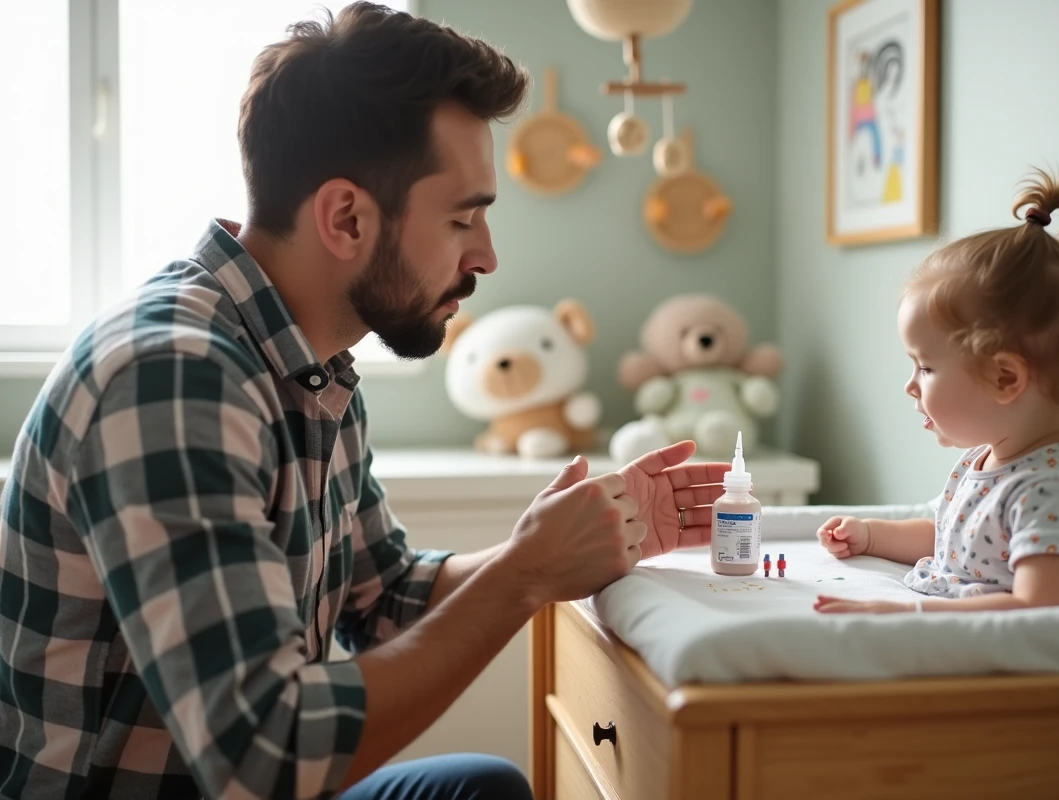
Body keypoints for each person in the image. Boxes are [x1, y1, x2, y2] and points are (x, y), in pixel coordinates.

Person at [0, 4, 727, 798]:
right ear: (347, 216)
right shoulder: (171, 379)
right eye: (463, 218)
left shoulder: (312, 367)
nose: (486, 255)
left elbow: (386, 597)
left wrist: (545, 547)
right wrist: (524, 574)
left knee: (485, 787)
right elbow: (270, 755)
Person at [813, 164, 1059, 614]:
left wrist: (912, 614)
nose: (910, 386)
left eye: (925, 367)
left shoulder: (1054, 486)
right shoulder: (986, 458)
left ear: (1005, 378)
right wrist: (870, 533)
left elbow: (1044, 609)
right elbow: (949, 534)